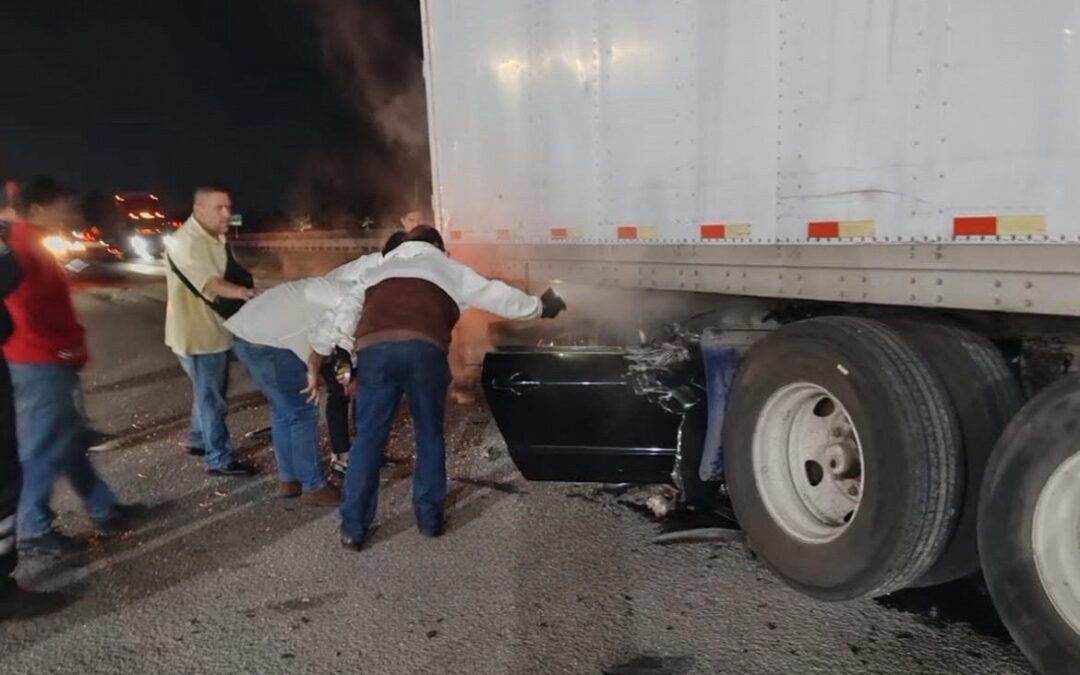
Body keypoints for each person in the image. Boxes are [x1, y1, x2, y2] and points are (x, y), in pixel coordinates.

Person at [306, 225, 566, 551]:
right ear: (437, 247)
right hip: (424, 353)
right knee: (428, 433)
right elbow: (493, 293)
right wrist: (539, 307)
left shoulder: (378, 270)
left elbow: (346, 309)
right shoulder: (446, 266)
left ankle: (353, 529)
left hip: (376, 351)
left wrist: (340, 347)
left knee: (368, 439)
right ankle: (428, 519)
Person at [3, 177, 135, 556]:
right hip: (39, 362)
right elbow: (23, 311)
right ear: (41, 208)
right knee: (43, 446)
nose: (71, 210)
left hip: (46, 360)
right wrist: (60, 346)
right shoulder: (22, 246)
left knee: (72, 440)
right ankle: (32, 528)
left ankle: (103, 508)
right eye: (63, 204)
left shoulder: (32, 242)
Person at [164, 186, 256, 477]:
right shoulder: (187, 243)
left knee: (206, 391)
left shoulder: (214, 236)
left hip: (211, 331)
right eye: (220, 208)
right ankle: (219, 458)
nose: (227, 214)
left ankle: (197, 438)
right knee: (212, 398)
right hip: (198, 335)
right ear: (199, 210)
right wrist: (243, 292)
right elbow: (211, 283)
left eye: (228, 207)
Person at [320, 230, 407, 472]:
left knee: (366, 394)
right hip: (327, 336)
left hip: (351, 338)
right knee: (341, 394)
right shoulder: (368, 277)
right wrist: (347, 369)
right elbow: (345, 324)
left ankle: (367, 451)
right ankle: (341, 457)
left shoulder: (390, 272)